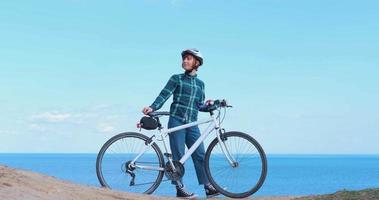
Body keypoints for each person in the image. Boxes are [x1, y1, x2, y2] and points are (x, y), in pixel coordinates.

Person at [142, 48, 219, 198]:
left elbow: (199, 105)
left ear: (197, 63)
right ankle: (179, 188)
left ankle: (208, 187)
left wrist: (213, 104)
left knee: (200, 155)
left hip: (192, 124)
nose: (185, 61)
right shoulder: (176, 78)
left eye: (189, 59)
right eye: (184, 58)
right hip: (177, 120)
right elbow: (164, 95)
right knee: (178, 157)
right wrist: (152, 107)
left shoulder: (201, 84)